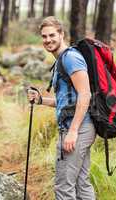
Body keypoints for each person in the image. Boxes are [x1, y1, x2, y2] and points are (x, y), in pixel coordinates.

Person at [27, 16, 96, 200]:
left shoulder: (71, 58)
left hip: (77, 129)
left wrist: (73, 131)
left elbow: (85, 94)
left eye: (52, 35)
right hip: (81, 127)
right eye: (44, 36)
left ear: (61, 34)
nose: (48, 40)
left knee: (63, 187)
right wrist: (41, 100)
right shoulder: (61, 61)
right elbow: (68, 101)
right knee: (82, 184)